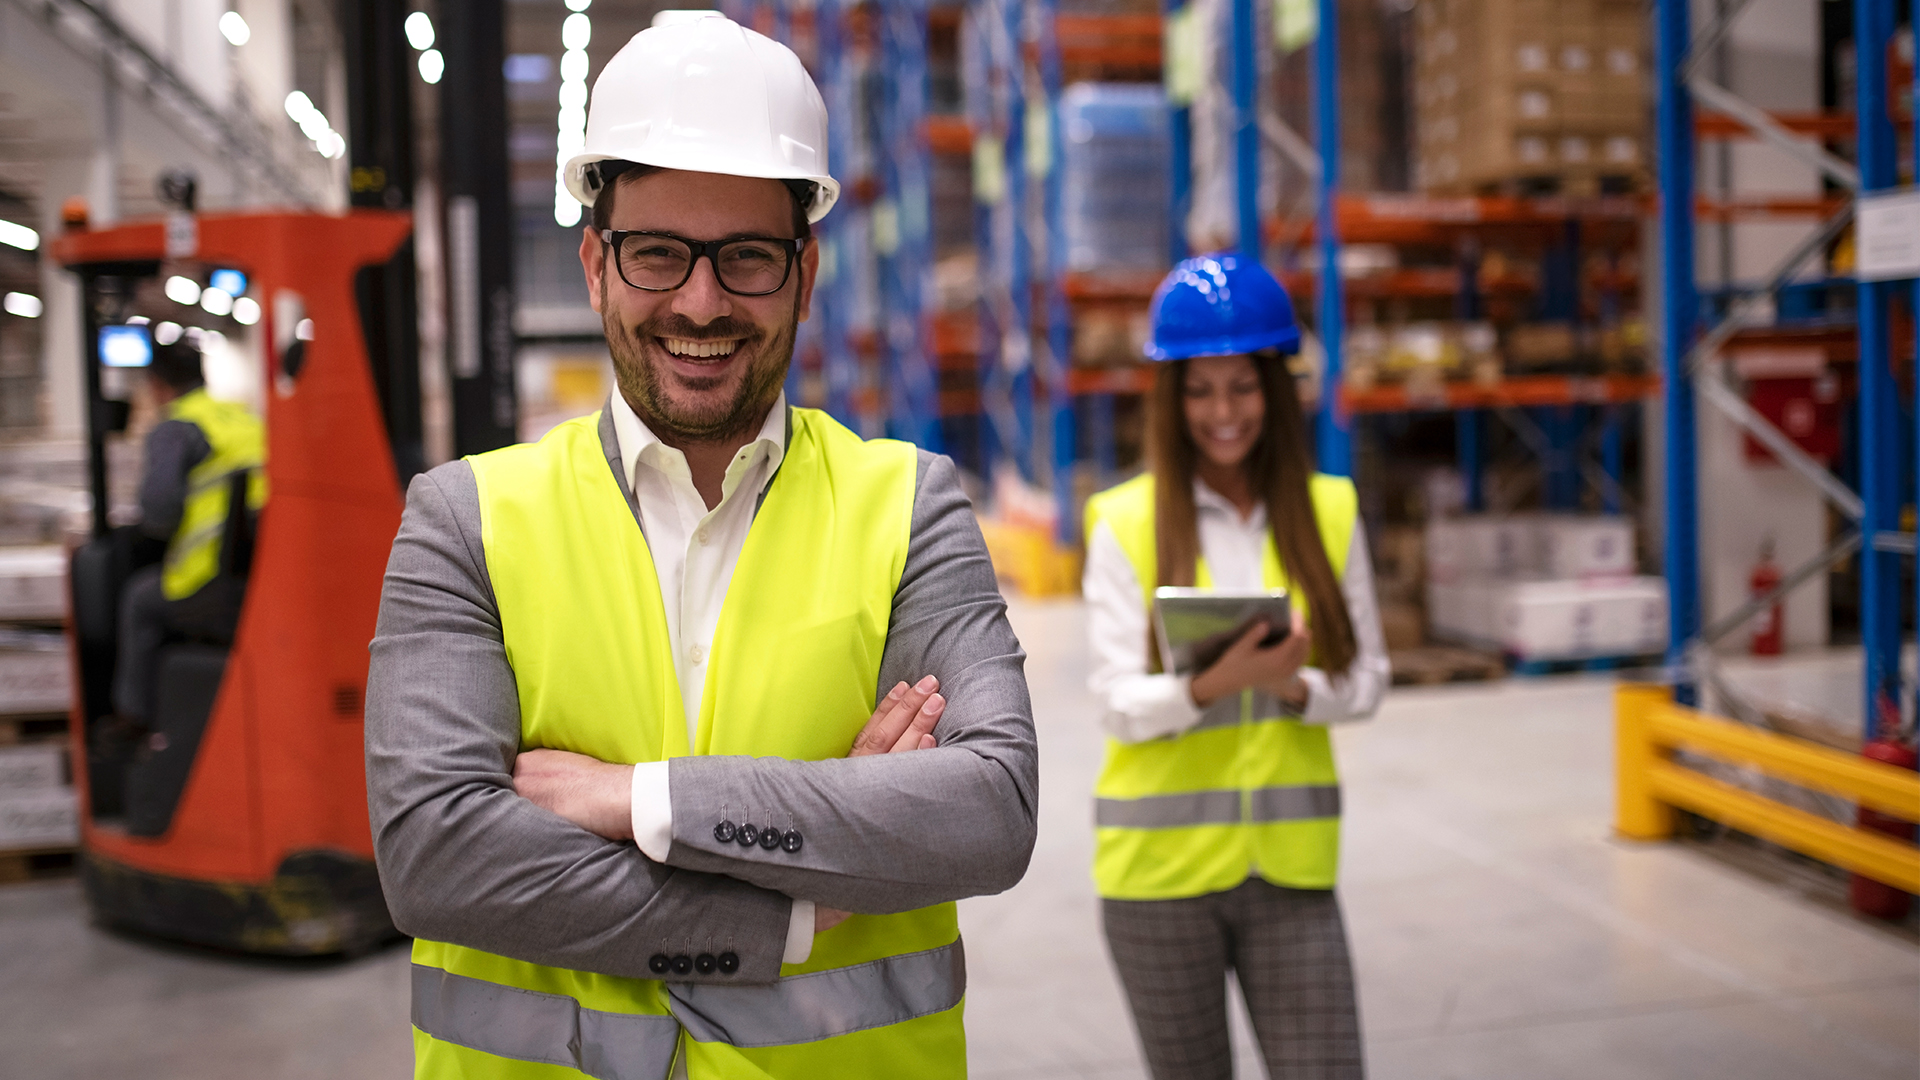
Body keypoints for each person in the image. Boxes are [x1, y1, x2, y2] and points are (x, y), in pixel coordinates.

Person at [365, 13, 1037, 1080]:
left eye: (748, 259)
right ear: (596, 265)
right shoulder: (465, 521)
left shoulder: (909, 506)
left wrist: (639, 799)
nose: (701, 301)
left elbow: (989, 813)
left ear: (804, 278)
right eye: (659, 253)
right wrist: (802, 907)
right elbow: (438, 859)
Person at [1081, 254, 1388, 1079]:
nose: (1224, 412)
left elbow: (1368, 682)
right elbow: (1115, 701)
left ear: (1276, 391)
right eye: (1201, 390)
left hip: (1291, 871)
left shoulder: (1329, 510)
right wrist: (1214, 685)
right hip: (1156, 882)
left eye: (1243, 386)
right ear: (1173, 399)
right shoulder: (1124, 521)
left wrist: (1291, 684)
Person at [112, 337, 264, 728]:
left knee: (137, 600)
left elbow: (158, 513)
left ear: (158, 386)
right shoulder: (243, 418)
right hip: (256, 571)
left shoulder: (177, 427)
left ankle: (133, 719)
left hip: (205, 576)